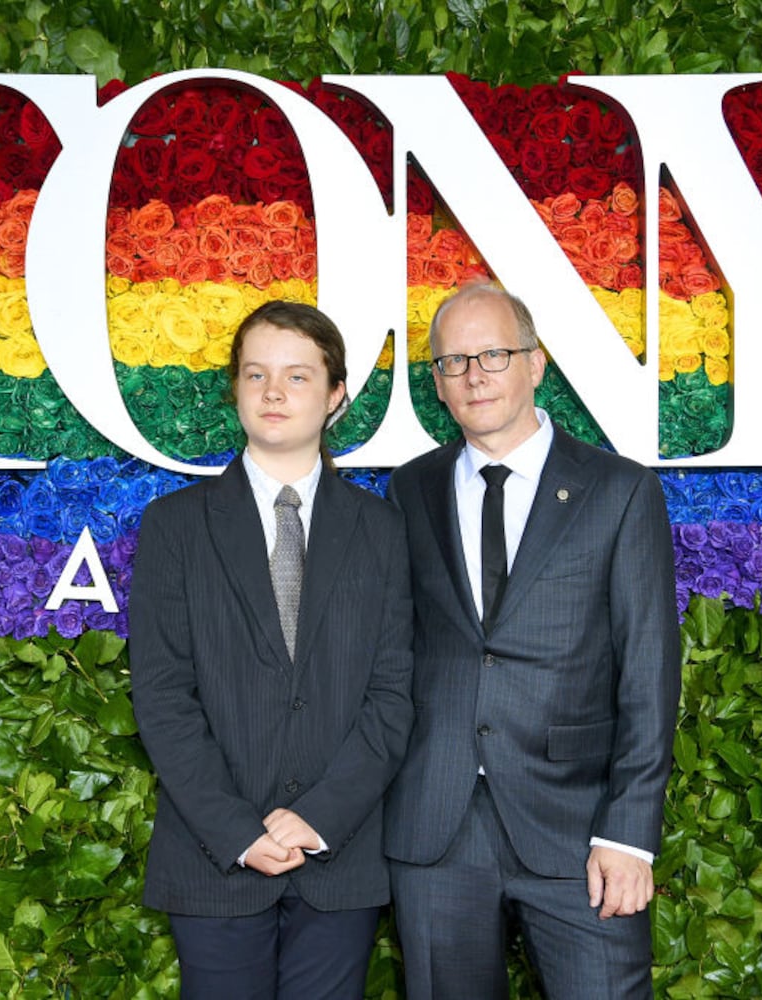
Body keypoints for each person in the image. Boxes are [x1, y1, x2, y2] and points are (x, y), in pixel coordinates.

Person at [385, 282, 681, 999]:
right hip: (436, 830)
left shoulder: (618, 491)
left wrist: (628, 832)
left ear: (535, 362)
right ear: (436, 383)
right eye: (453, 362)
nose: (474, 374)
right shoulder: (409, 490)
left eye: (493, 353)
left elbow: (648, 670)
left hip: (580, 829)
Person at [130, 300, 414, 1000]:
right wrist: (235, 830)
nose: (274, 392)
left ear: (336, 395)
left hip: (339, 858)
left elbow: (392, 694)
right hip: (213, 857)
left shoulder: (380, 531)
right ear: (235, 389)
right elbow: (164, 699)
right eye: (255, 375)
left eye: (296, 375)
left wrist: (320, 815)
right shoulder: (174, 528)